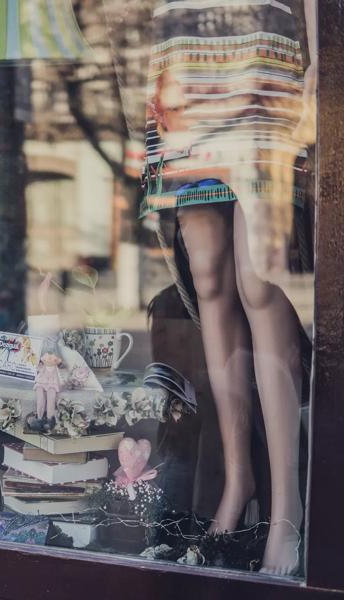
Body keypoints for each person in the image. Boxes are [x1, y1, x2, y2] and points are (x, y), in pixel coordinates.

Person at [141, 0, 317, 576]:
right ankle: (237, 484)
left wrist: (317, 58)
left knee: (257, 278)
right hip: (185, 46)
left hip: (264, 36)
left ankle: (287, 508)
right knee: (210, 274)